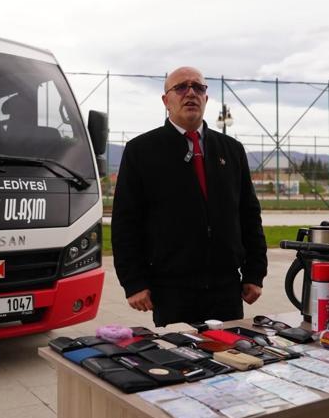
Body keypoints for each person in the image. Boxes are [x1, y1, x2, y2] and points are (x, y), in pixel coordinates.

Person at [111, 66, 267, 326]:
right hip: (172, 291)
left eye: (199, 87)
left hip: (226, 289)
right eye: (181, 87)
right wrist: (134, 282)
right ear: (166, 101)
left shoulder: (231, 150)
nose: (191, 93)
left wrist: (254, 273)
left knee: (231, 359)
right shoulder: (141, 151)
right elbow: (126, 223)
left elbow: (249, 215)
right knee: (179, 364)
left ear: (206, 98)